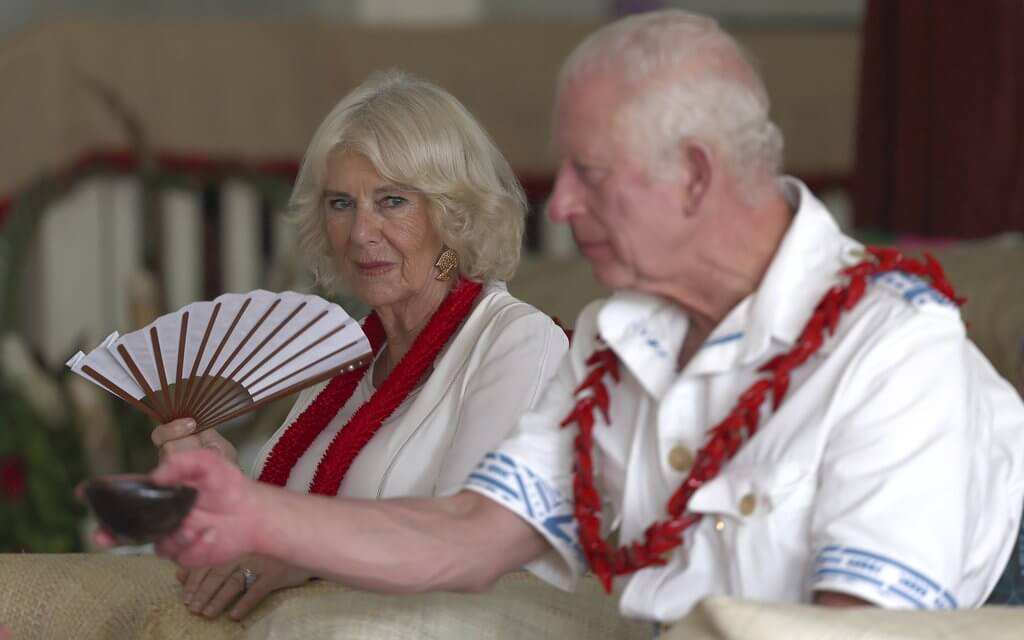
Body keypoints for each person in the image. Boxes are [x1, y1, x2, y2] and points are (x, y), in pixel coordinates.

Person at [102, 10, 1024, 627]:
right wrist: (250, 512)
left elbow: (858, 639)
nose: (564, 205)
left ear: (695, 175)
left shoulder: (895, 356)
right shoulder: (613, 348)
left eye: (592, 172)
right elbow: (467, 531)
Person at [146, 70, 568, 619]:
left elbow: (475, 544)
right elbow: (277, 540)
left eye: (391, 200)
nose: (360, 232)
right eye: (341, 203)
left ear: (452, 211)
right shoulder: (340, 361)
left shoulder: (518, 341)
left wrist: (301, 549)